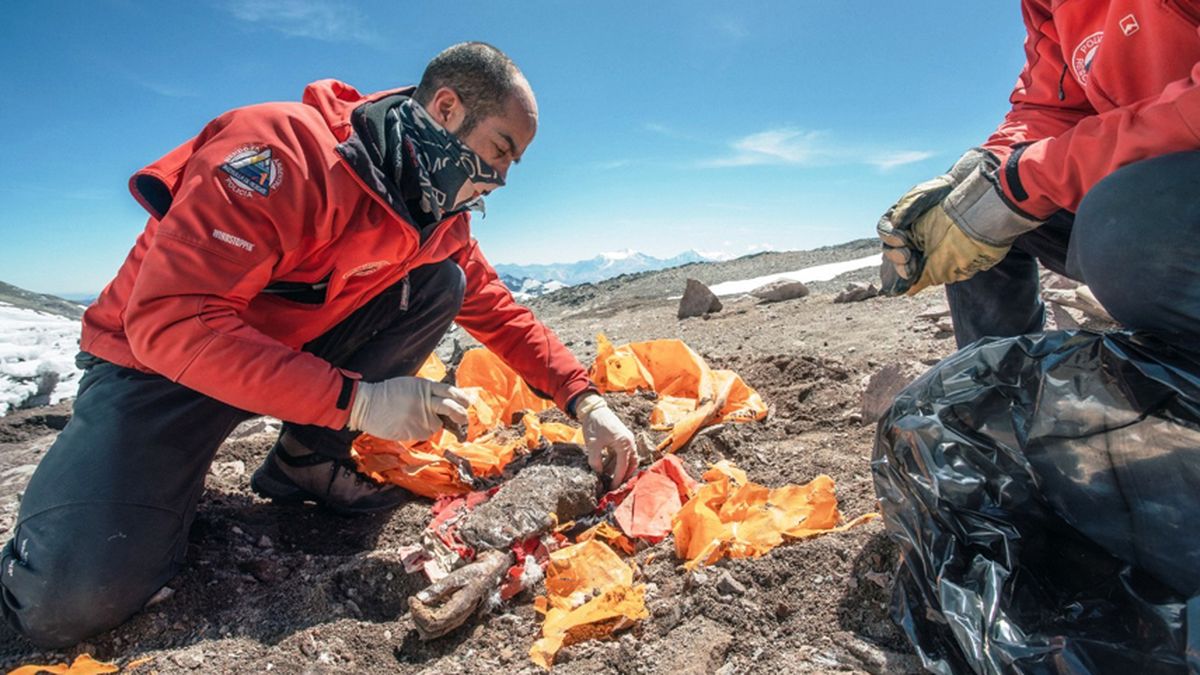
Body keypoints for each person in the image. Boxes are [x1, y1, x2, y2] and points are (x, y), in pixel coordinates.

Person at [0, 42, 638, 648]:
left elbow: (494, 307)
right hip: (158, 374)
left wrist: (583, 400)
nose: (497, 179)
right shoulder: (278, 154)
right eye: (499, 151)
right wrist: (359, 402)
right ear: (446, 109)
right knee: (63, 604)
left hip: (282, 363)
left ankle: (306, 462)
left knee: (440, 283)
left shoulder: (436, 211)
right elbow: (172, 322)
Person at [877, 0, 1200, 349]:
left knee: (1116, 229)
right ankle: (999, 390)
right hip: (1149, 189)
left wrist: (1029, 180)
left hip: (1170, 202)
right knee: (972, 210)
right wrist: (988, 165)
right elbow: (1050, 106)